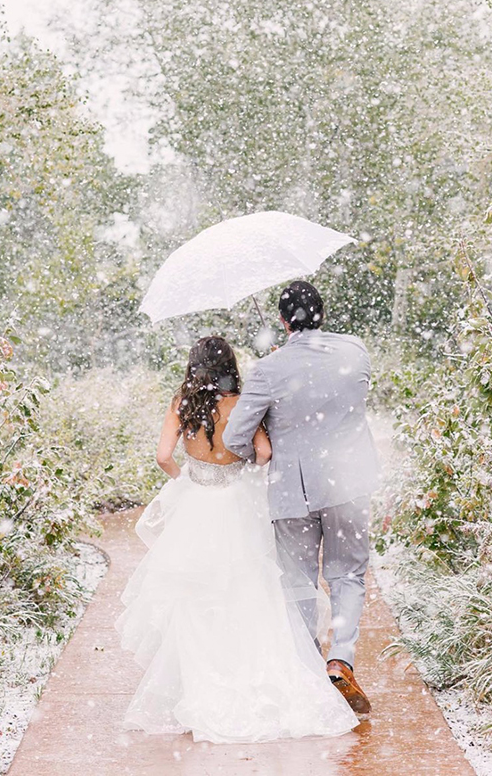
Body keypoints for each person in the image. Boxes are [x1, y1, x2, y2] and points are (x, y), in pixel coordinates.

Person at [116, 336, 357, 743]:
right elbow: (263, 452)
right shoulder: (241, 403)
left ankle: (197, 686)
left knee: (196, 599)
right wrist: (240, 469)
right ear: (229, 365)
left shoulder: (182, 403)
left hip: (197, 505)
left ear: (195, 367)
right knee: (253, 590)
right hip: (238, 506)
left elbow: (162, 456)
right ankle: (255, 676)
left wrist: (187, 479)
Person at [223, 281, 380, 714]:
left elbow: (237, 436)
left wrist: (271, 429)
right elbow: (351, 400)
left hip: (294, 490)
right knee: (348, 574)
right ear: (323, 314)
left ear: (282, 321)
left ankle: (308, 669)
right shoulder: (356, 351)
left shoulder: (269, 370)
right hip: (350, 480)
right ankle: (340, 660)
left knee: (298, 580)